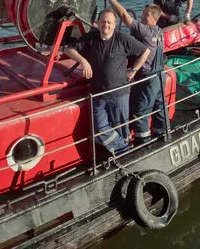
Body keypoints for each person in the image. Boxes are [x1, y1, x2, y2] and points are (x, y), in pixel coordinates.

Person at [63, 9, 150, 155]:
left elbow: (145, 52)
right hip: (98, 94)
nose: (106, 25)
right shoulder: (90, 38)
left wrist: (134, 69)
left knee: (121, 128)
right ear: (97, 22)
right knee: (100, 129)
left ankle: (123, 155)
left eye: (109, 22)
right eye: (103, 21)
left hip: (119, 94)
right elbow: (68, 50)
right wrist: (83, 61)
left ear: (115, 25)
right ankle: (125, 150)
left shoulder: (123, 39)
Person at [101, 0, 168, 145]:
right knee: (159, 108)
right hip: (160, 76)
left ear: (155, 18)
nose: (142, 16)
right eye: (143, 13)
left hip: (147, 78)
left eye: (146, 15)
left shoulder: (145, 31)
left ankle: (142, 143)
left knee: (141, 111)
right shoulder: (159, 32)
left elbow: (123, 15)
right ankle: (163, 137)